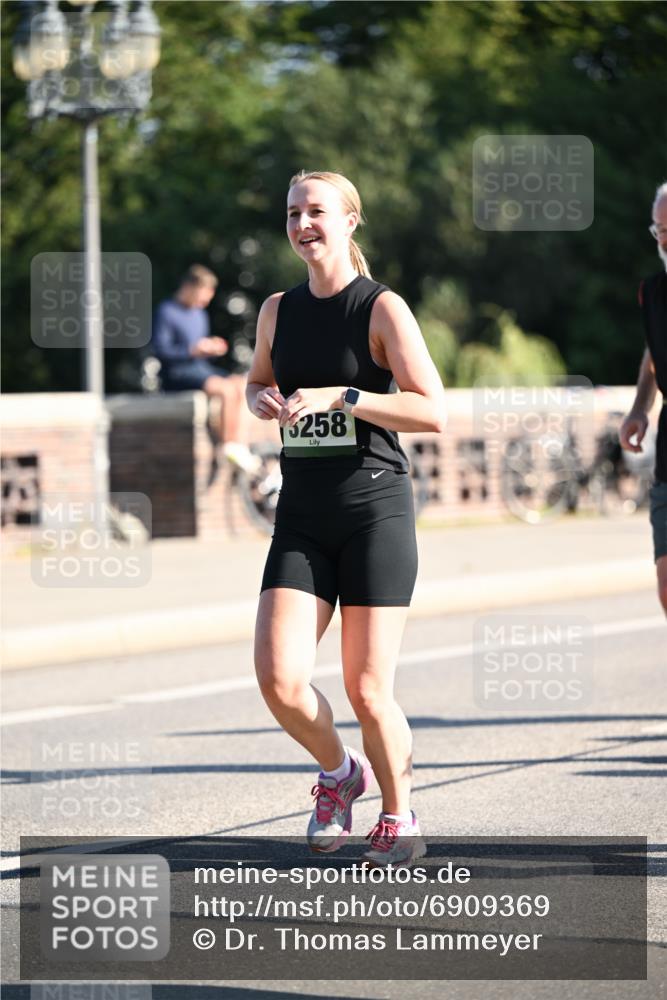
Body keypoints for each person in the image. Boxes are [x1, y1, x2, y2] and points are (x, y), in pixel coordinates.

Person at [245, 170, 446, 866]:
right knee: (279, 680)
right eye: (292, 212)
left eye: (316, 211)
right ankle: (339, 773)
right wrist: (260, 399)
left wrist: (345, 396)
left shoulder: (381, 307)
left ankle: (399, 816)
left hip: (373, 511)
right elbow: (257, 380)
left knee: (366, 688)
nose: (302, 224)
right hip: (302, 515)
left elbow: (432, 410)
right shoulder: (277, 309)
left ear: (350, 220)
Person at [152, 264, 260, 474]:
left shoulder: (199, 314)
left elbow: (199, 351)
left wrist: (210, 348)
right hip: (176, 373)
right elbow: (161, 351)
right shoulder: (166, 311)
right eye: (203, 293)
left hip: (199, 368)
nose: (206, 301)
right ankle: (228, 446)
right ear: (190, 287)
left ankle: (239, 443)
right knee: (225, 390)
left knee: (239, 384)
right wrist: (193, 350)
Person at [619, 181, 667, 615]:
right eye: (660, 230)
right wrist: (639, 408)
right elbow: (654, 352)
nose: (664, 240)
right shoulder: (652, 291)